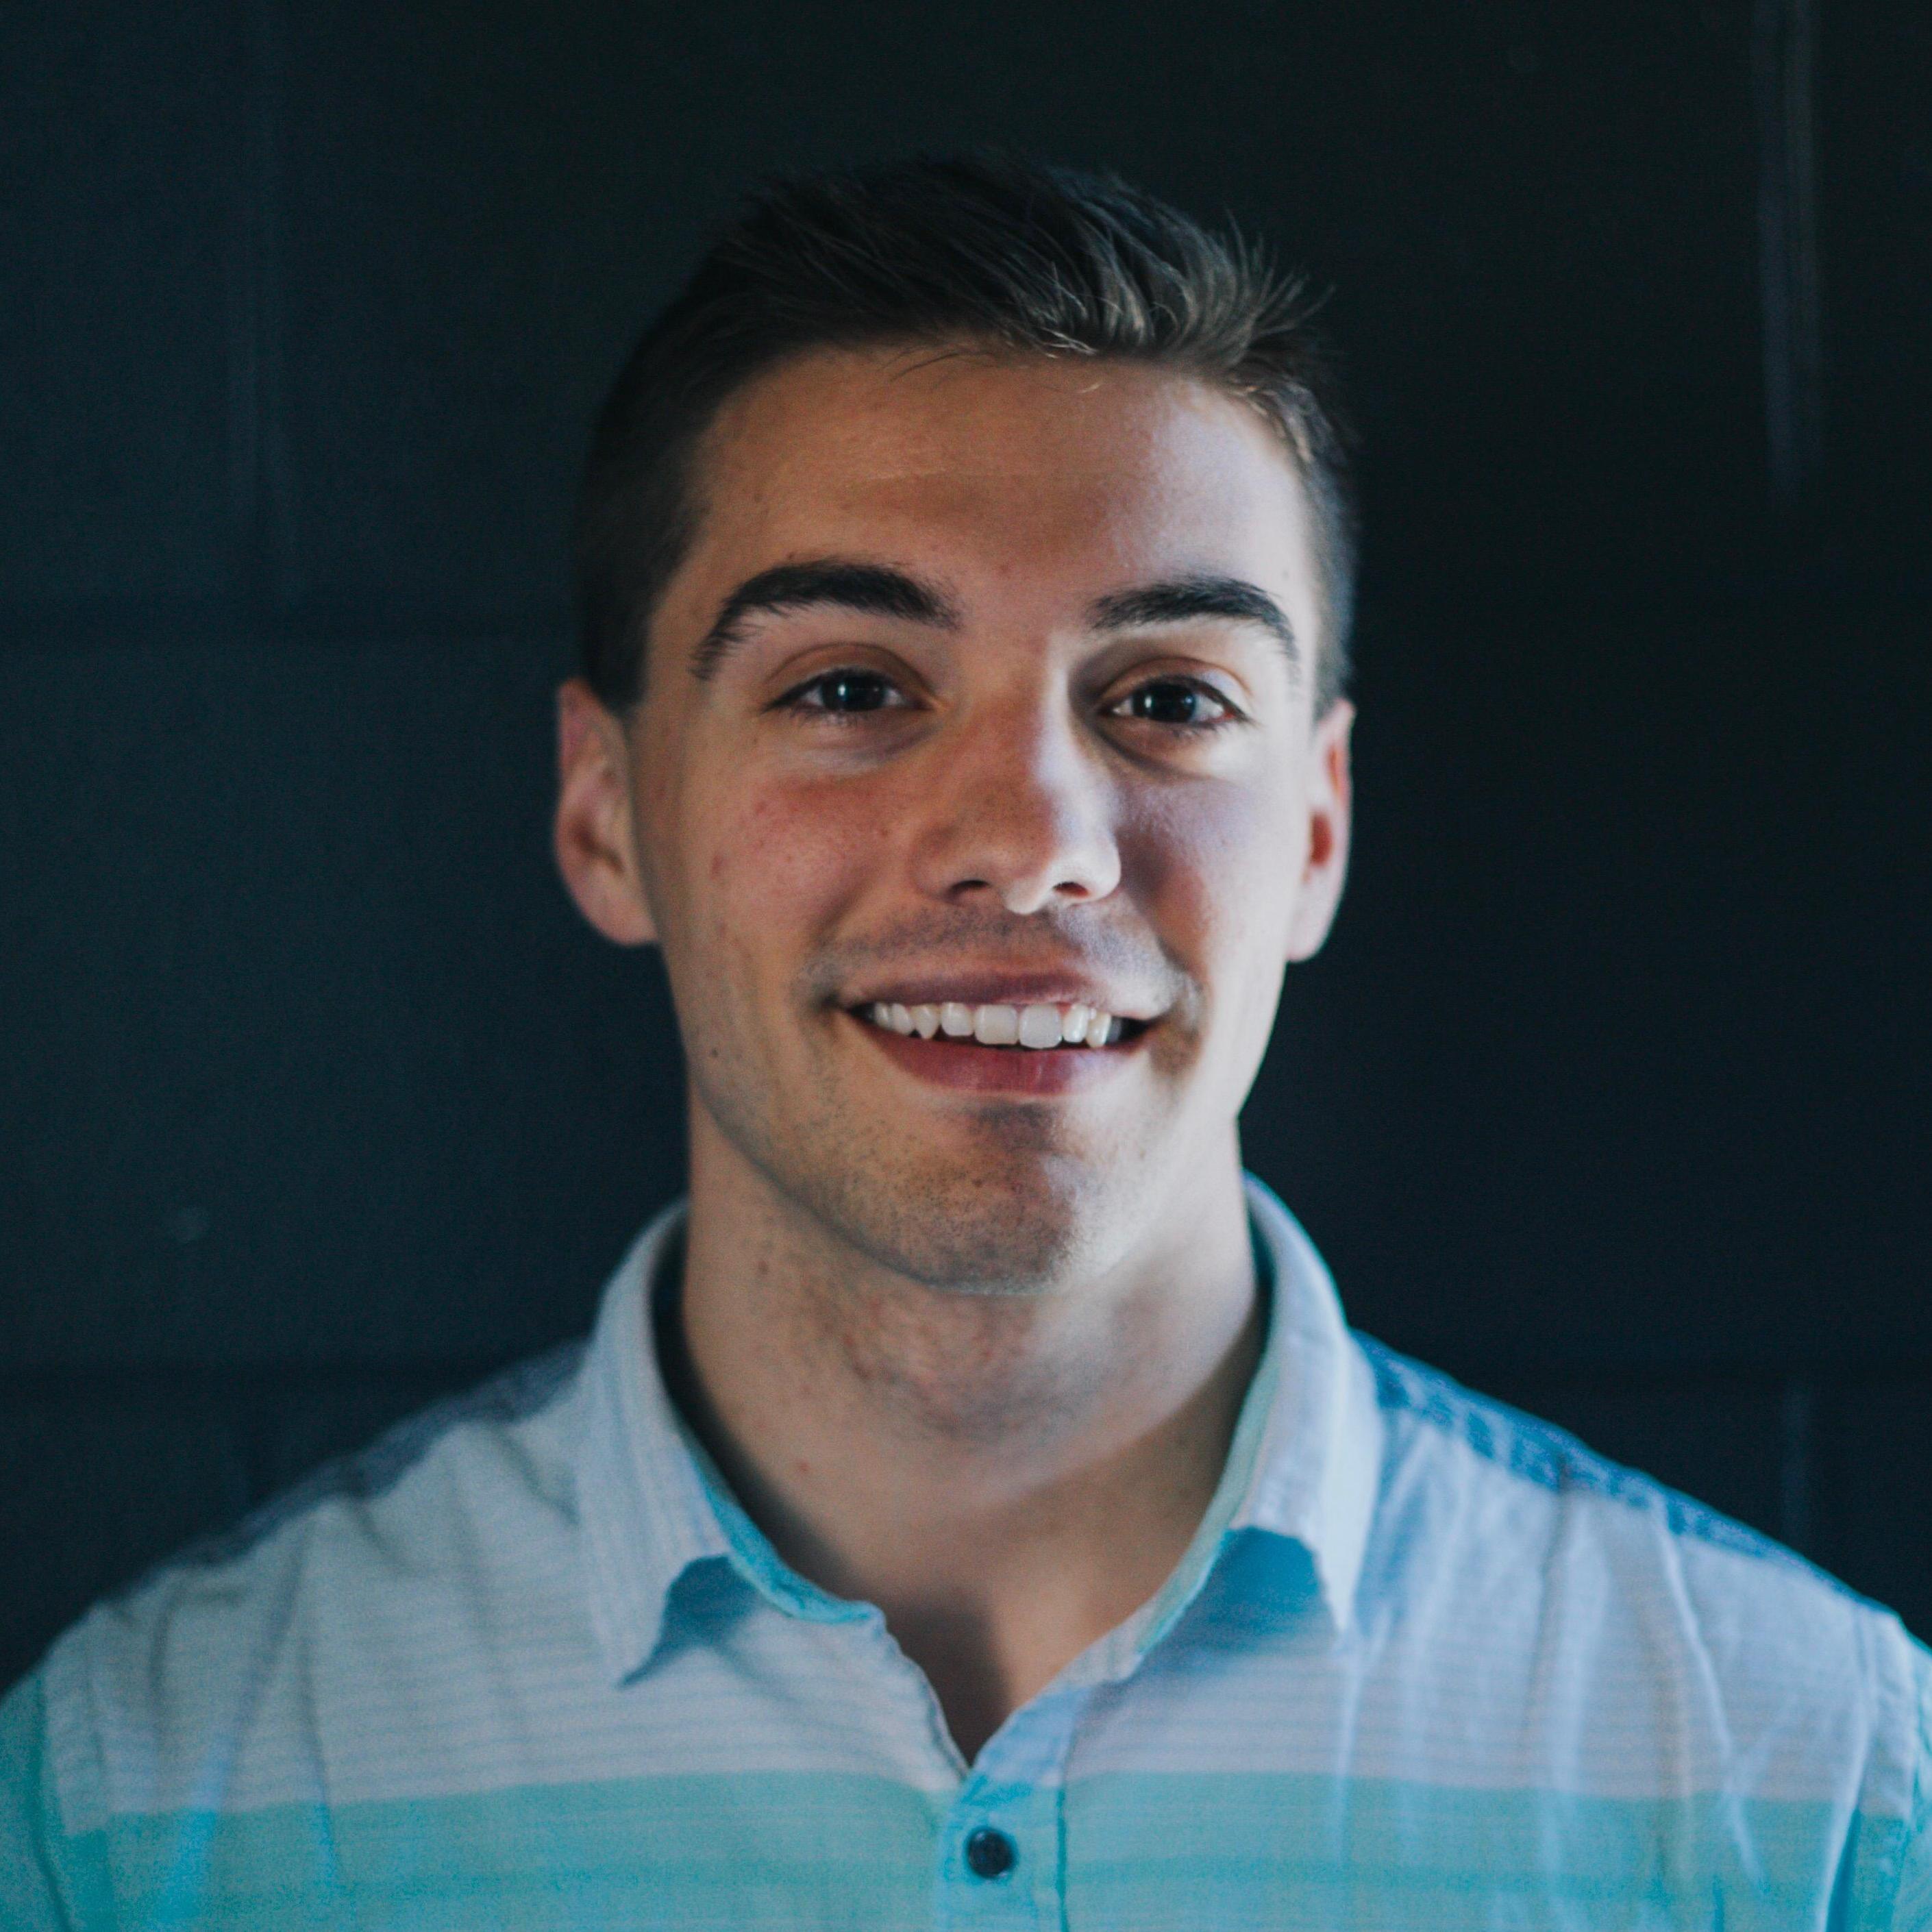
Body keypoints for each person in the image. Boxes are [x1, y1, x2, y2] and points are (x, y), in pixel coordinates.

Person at [3, 153, 1927, 1929]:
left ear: (1316, 834)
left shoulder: (1815, 1794)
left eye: (1168, 697)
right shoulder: (141, 1806)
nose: (1032, 838)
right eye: (851, 685)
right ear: (605, 815)